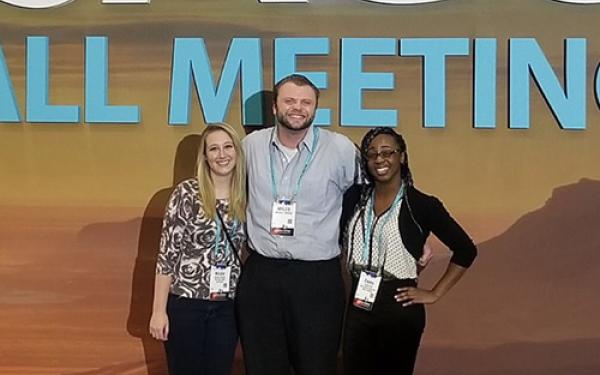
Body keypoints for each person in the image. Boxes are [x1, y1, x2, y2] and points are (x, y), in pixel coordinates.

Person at [237, 74, 359, 375]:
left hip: (317, 277)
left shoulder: (339, 148)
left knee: (317, 366)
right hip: (261, 274)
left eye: (306, 102)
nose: (298, 108)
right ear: (275, 108)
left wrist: (411, 234)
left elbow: (379, 186)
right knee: (262, 366)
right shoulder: (251, 146)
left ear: (315, 109)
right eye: (289, 101)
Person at [341, 127, 477, 375]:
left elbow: (465, 250)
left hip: (398, 305)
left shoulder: (422, 205)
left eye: (387, 152)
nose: (379, 159)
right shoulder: (353, 198)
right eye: (371, 154)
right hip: (357, 301)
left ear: (402, 156)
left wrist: (434, 293)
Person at [148, 122, 246, 375]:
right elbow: (166, 256)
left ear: (237, 151)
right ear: (204, 156)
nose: (222, 155)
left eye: (227, 147)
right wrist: (158, 311)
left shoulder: (247, 195)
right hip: (186, 304)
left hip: (227, 305)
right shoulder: (187, 194)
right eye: (213, 149)